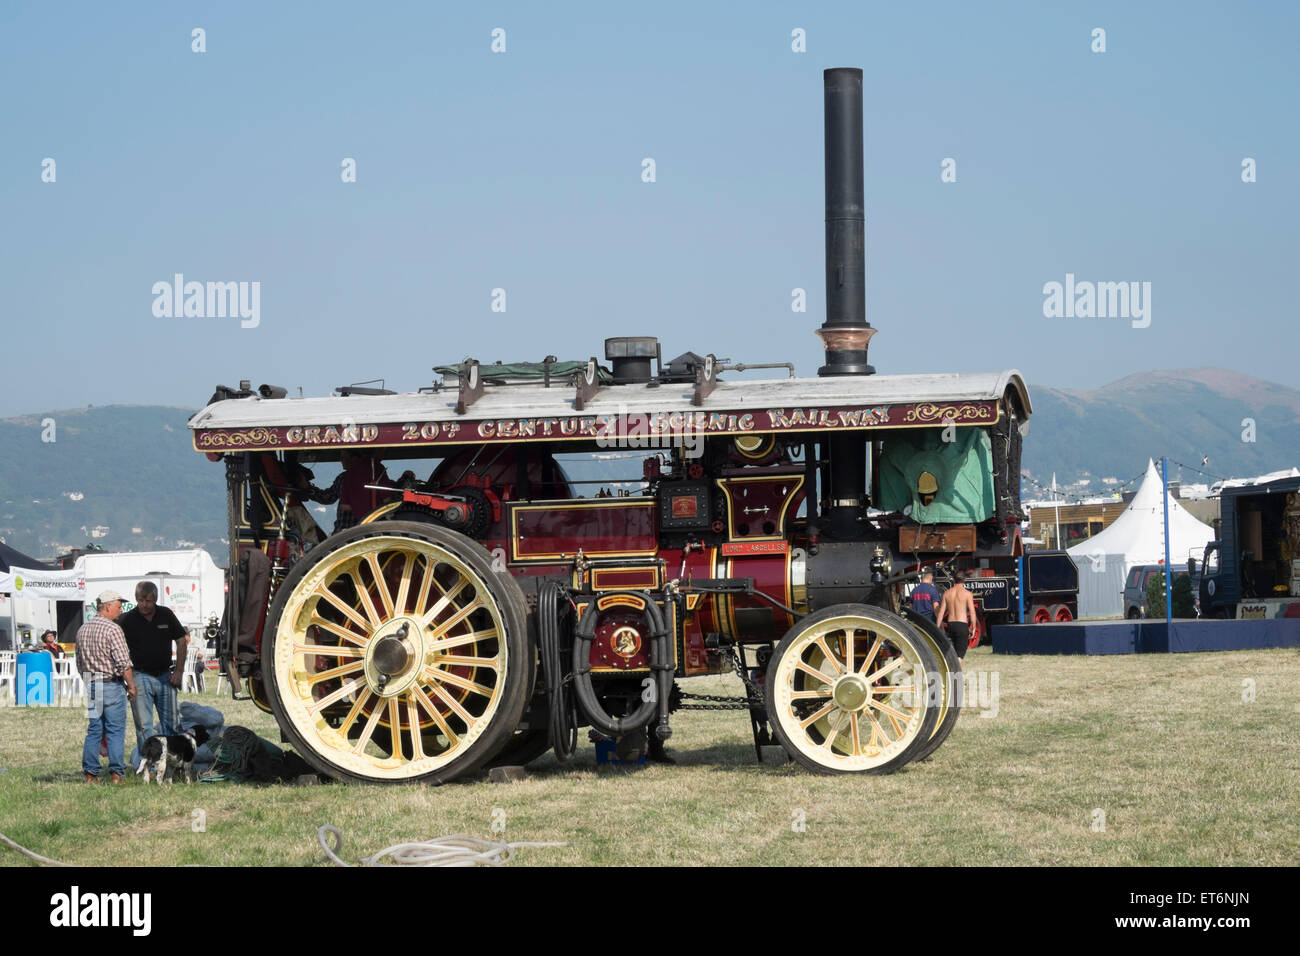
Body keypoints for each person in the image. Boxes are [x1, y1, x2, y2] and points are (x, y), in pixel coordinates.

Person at [118, 581, 188, 766]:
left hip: (166, 676)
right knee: (144, 726)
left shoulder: (166, 614)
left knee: (171, 724)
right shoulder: (127, 619)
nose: (144, 605)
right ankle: (147, 765)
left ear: (155, 600)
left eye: (148, 601)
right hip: (140, 676)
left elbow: (181, 641)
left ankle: (173, 766)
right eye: (140, 600)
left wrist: (179, 671)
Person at [76, 590, 137, 783]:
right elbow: (123, 662)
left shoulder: (83, 629)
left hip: (93, 684)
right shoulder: (113, 629)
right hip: (111, 684)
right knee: (115, 730)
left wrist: (89, 682)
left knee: (94, 730)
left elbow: (79, 662)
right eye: (119, 606)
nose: (120, 610)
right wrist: (132, 685)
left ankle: (90, 774)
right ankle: (116, 773)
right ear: (108, 606)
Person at [935, 570, 978, 660]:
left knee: (953, 653)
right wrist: (973, 627)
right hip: (962, 624)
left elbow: (941, 613)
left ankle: (953, 672)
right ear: (964, 580)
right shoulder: (968, 594)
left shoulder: (947, 593)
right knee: (960, 655)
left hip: (951, 624)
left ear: (953, 580)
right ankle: (956, 674)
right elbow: (972, 612)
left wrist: (938, 627)